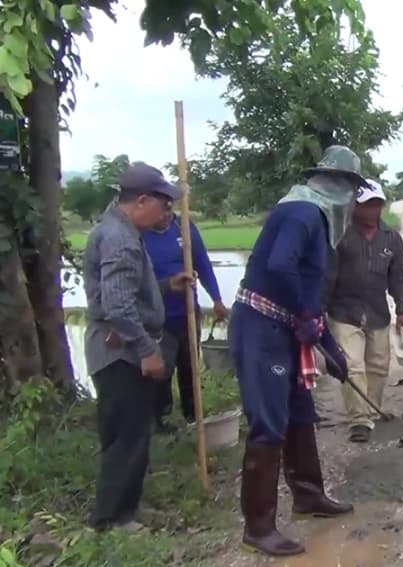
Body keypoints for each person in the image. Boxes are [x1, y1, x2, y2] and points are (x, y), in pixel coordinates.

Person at [228, 146, 370, 557]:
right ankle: (258, 527)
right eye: (349, 187)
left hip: (286, 325)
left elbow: (305, 289)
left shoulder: (314, 214)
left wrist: (329, 346)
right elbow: (280, 264)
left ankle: (308, 495)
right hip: (261, 325)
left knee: (300, 411)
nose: (349, 197)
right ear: (340, 186)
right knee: (269, 423)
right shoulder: (302, 212)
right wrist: (308, 313)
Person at [82, 163, 193, 531]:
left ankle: (126, 510)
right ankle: (112, 519)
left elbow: (124, 293)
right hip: (120, 352)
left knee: (131, 433)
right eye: (163, 204)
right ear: (142, 200)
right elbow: (116, 306)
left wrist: (163, 287)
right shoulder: (121, 239)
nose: (167, 213)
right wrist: (147, 350)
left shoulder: (118, 231)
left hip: (118, 348)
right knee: (126, 437)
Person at [316, 182, 403, 443]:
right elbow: (328, 276)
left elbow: (399, 278)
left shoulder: (391, 239)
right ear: (355, 207)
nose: (373, 210)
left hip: (378, 311)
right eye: (367, 205)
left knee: (379, 366)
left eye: (377, 204)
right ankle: (359, 420)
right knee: (352, 365)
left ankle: (371, 410)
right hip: (344, 311)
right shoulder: (341, 237)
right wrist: (319, 309)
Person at [144, 212, 229, 432]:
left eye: (168, 207)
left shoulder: (183, 228)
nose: (164, 214)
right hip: (157, 316)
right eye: (161, 207)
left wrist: (217, 299)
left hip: (188, 311)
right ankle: (159, 418)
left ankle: (193, 415)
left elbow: (202, 262)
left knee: (190, 364)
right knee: (163, 367)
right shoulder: (140, 233)